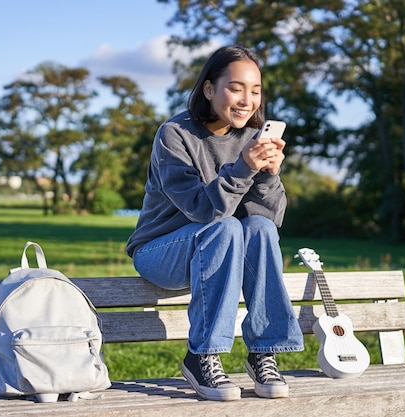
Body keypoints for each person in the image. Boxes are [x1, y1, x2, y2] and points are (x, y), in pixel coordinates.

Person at [125, 45, 304, 401]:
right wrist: (242, 169)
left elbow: (270, 220)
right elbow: (201, 210)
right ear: (209, 89)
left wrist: (268, 175)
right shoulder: (175, 135)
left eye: (255, 91)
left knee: (259, 228)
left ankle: (262, 352)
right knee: (224, 227)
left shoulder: (251, 138)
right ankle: (202, 355)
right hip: (161, 251)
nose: (246, 100)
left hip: (222, 246)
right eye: (235, 87)